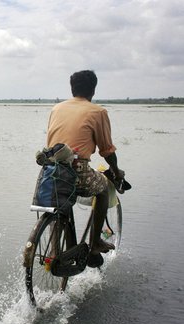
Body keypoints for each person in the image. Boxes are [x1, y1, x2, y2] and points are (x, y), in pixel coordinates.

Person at [46, 70, 124, 255]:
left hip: (50, 170)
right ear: (93, 90)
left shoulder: (57, 108)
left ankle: (54, 252)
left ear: (72, 88)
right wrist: (116, 171)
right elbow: (107, 151)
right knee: (103, 189)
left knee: (58, 205)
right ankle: (96, 242)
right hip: (77, 171)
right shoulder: (98, 112)